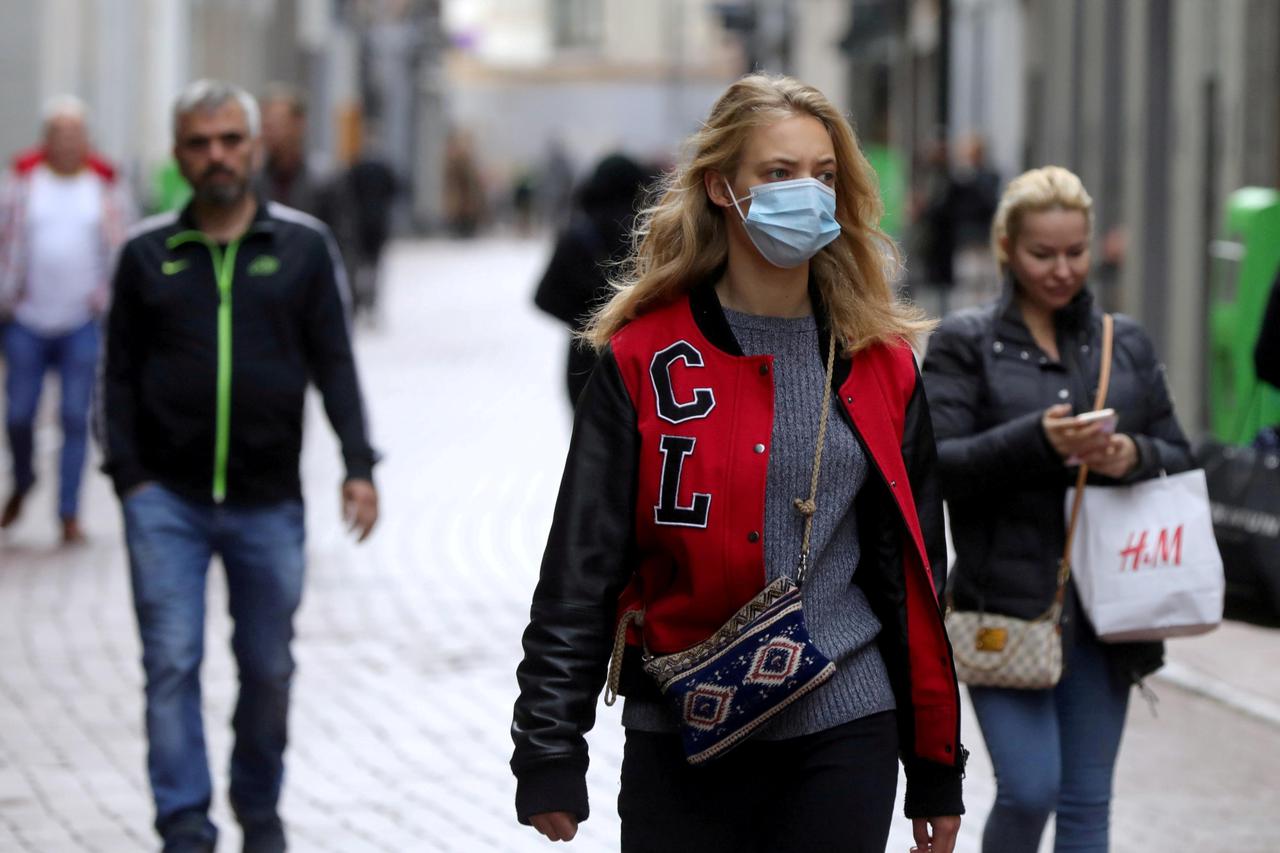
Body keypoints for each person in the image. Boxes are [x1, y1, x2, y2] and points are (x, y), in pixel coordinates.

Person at [511, 73, 965, 853]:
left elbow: (915, 576)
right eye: (779, 174)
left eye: (824, 176)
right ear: (723, 187)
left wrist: (935, 761)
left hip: (843, 718)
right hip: (682, 726)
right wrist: (549, 743)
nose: (808, 196)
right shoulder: (641, 357)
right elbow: (580, 565)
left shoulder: (880, 364)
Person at [99, 79, 379, 853]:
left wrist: (359, 464)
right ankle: (185, 823)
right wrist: (128, 475)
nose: (216, 155)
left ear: (255, 148)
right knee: (171, 662)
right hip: (165, 500)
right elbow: (115, 373)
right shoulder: (146, 254)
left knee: (268, 669)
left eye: (230, 140)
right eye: (200, 142)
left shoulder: (301, 247)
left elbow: (336, 363)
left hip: (266, 501)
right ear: (179, 154)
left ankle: (258, 807)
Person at [921, 165, 1194, 853]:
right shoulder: (967, 342)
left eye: (1075, 251)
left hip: (1109, 611)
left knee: (1085, 802)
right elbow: (937, 464)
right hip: (1003, 606)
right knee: (1031, 786)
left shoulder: (1121, 341)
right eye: (1044, 252)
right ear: (1008, 247)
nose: (1062, 268)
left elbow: (1182, 456)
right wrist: (1038, 440)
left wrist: (1130, 454)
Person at [0, 95, 135, 542]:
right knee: (19, 415)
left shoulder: (105, 189)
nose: (68, 144)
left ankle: (68, 512)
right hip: (27, 318)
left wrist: (107, 301)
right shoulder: (22, 185)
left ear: (87, 140)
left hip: (82, 319)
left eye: (76, 135)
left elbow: (121, 251)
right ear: (46, 141)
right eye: (59, 135)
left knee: (76, 417)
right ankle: (23, 479)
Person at [532, 152, 651, 407]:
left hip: (586, 360)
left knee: (590, 442)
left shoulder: (578, 233)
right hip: (644, 357)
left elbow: (543, 297)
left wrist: (588, 320)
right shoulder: (650, 233)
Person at [257, 82, 330, 219]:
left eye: (277, 124)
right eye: (265, 125)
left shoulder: (324, 180)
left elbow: (344, 235)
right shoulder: (254, 178)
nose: (268, 132)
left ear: (299, 124)